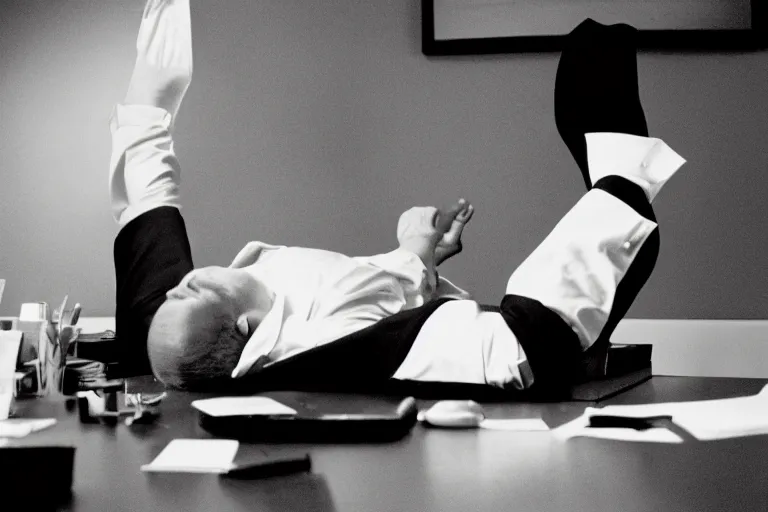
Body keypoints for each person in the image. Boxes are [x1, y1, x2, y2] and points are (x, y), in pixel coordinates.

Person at [111, 1, 685, 397]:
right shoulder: (305, 342)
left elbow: (145, 200)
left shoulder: (174, 328)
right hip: (502, 344)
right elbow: (374, 318)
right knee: (528, 342)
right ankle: (623, 173)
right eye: (190, 294)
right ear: (247, 325)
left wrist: (151, 99)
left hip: (407, 304)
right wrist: (414, 249)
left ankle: (618, 163)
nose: (181, 284)